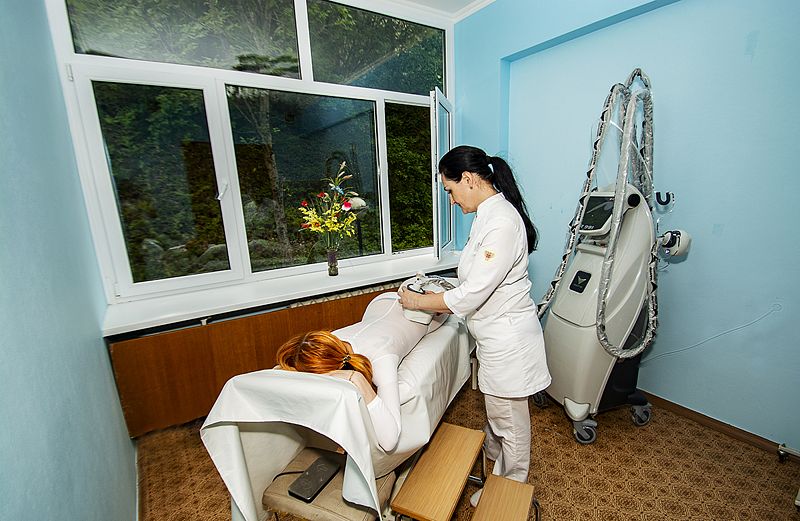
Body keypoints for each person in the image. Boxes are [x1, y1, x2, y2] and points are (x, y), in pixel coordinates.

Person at [398, 145, 551, 506]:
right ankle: (494, 464)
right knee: (497, 414)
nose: (451, 201)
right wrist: (441, 292)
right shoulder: (487, 216)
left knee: (510, 423)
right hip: (494, 336)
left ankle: (509, 490)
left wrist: (418, 302)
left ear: (468, 179)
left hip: (508, 340)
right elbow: (475, 279)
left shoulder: (501, 222)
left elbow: (472, 294)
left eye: (450, 190)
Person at [276, 292, 446, 452]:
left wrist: (357, 378)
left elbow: (389, 441)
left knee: (443, 307)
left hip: (423, 314)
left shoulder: (381, 358)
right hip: (379, 303)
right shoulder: (327, 343)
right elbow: (278, 370)